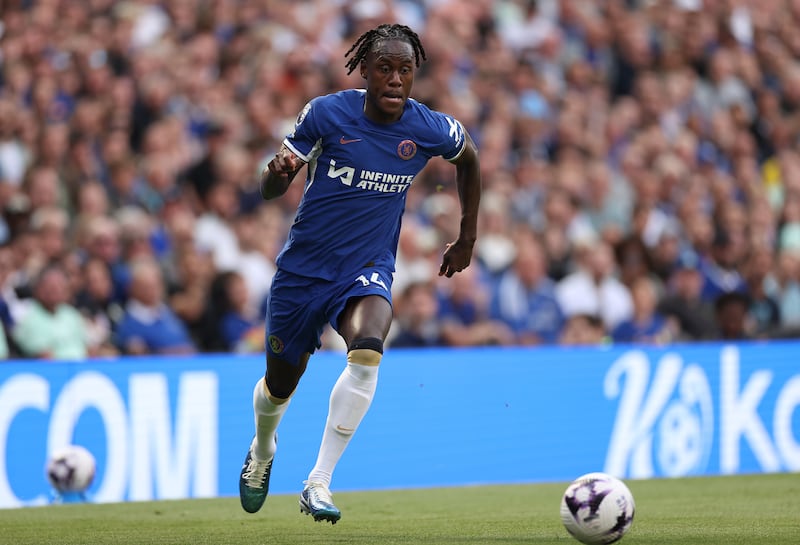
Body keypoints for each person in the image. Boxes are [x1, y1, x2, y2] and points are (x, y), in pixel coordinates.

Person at [238, 24, 481, 524]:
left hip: (366, 269)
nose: (395, 79)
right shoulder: (327, 113)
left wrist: (468, 237)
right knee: (280, 386)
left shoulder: (428, 127)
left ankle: (319, 482)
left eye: (405, 70)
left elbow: (469, 157)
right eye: (385, 69)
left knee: (369, 347)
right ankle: (263, 449)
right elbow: (268, 187)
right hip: (303, 274)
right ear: (365, 72)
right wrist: (277, 173)